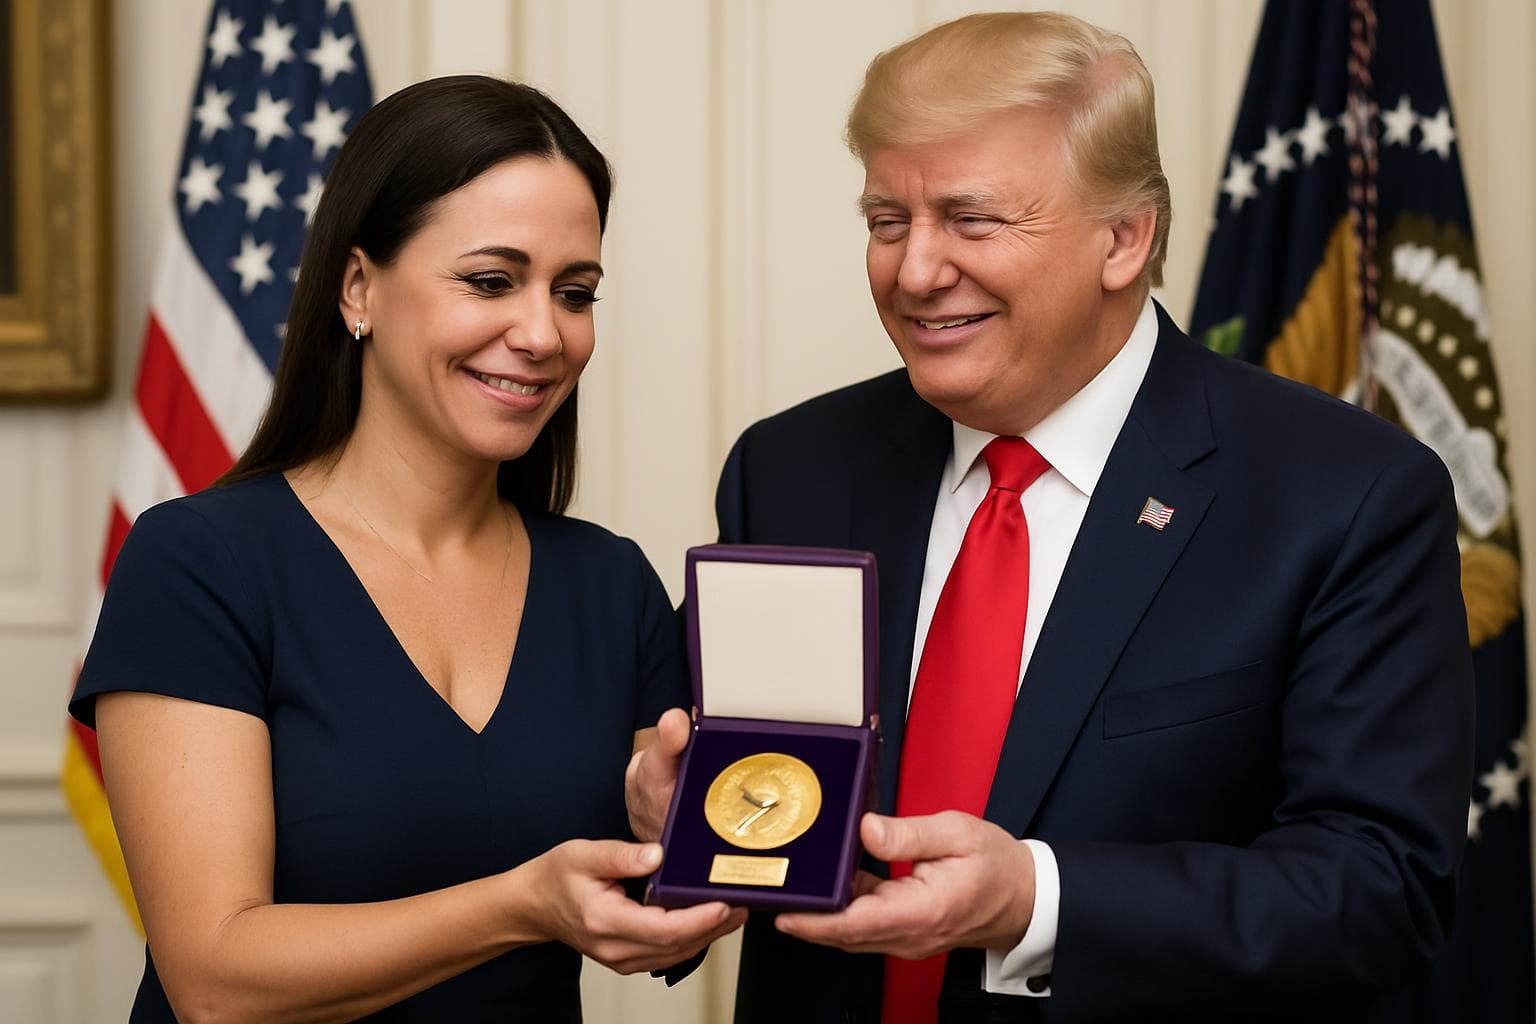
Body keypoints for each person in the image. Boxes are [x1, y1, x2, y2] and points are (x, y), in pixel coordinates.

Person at [630, 11, 1475, 1023]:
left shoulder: (1345, 493)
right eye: (887, 221)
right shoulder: (793, 469)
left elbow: (1378, 891)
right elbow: (731, 799)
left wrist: (1037, 900)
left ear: (1124, 238)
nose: (913, 272)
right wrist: (668, 817)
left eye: (972, 220)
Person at [70, 75, 744, 1023]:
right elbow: (215, 977)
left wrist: (680, 848)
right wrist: (519, 904)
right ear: (358, 290)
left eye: (576, 291)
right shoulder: (198, 562)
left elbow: (639, 906)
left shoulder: (611, 584)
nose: (544, 333)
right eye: (490, 281)